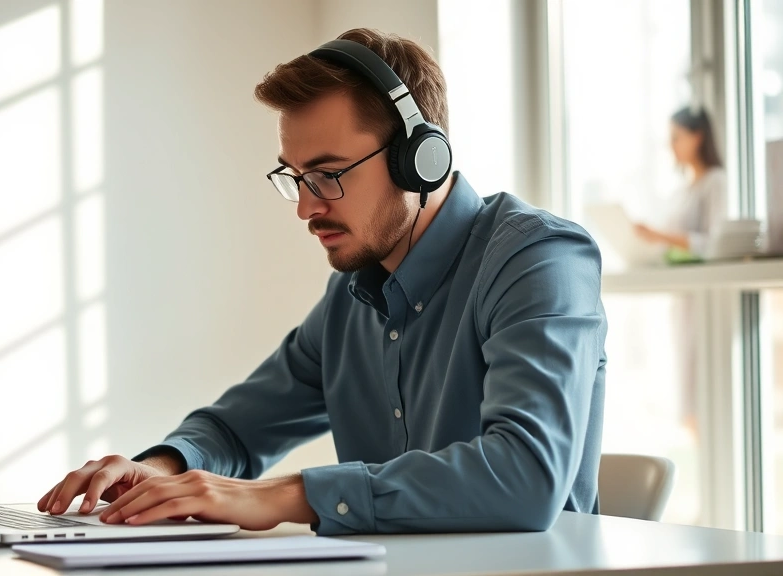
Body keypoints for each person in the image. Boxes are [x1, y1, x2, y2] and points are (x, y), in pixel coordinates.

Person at [37, 28, 608, 535]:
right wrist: (160, 469)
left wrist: (288, 495)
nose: (306, 208)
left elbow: (525, 476)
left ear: (420, 159)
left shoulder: (538, 259)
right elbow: (238, 430)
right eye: (296, 177)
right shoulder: (355, 291)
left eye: (329, 175)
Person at [634, 106, 727, 257]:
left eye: (676, 138)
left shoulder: (715, 181)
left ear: (697, 137)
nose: (670, 145)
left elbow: (713, 244)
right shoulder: (681, 191)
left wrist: (660, 236)